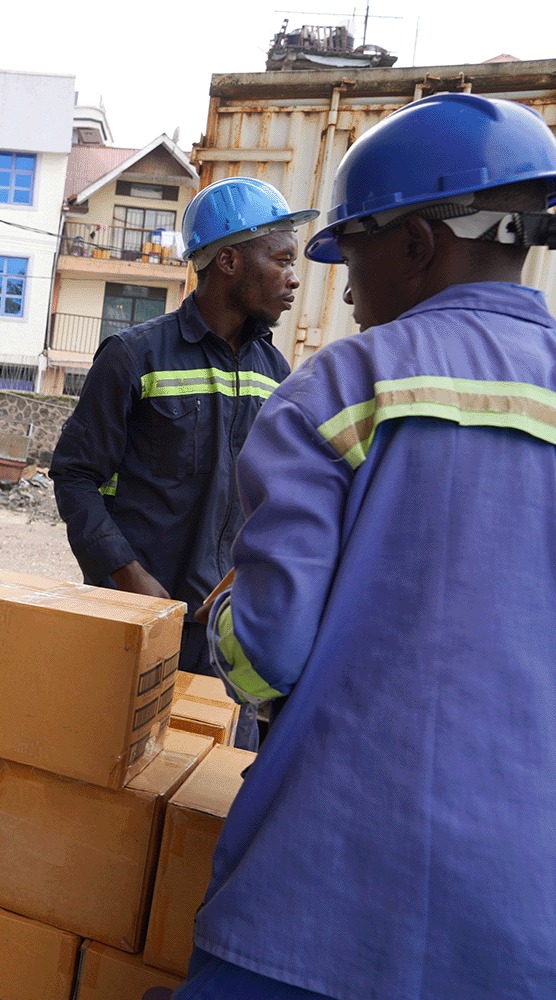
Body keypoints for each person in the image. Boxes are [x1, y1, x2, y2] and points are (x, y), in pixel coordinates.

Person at [177, 93, 556, 998]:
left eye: (351, 256)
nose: (343, 291)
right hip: (521, 926)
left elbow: (267, 653)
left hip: (319, 899)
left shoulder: (338, 385)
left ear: (419, 245)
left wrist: (223, 612)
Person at [49, 177, 316, 749]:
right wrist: (129, 576)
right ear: (228, 261)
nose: (294, 277)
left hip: (225, 636)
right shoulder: (133, 357)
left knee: (201, 783)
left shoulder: (277, 375)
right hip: (139, 619)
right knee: (122, 772)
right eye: (281, 260)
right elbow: (75, 476)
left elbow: (278, 502)